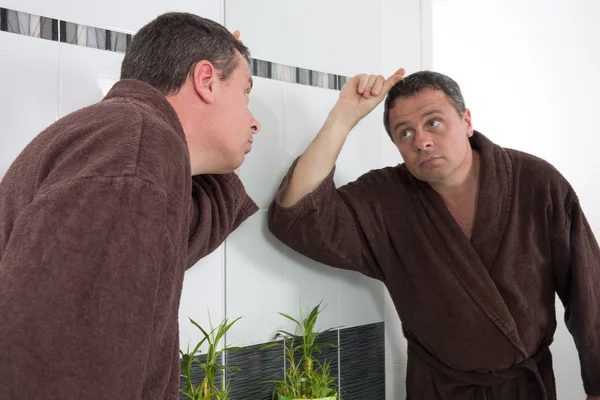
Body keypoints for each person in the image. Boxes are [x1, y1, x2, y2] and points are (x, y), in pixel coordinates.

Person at [267, 69, 600, 399]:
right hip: (439, 390)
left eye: (433, 123)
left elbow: (588, 290)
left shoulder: (537, 183)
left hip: (524, 389)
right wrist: (343, 117)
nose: (422, 141)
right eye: (405, 133)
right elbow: (298, 216)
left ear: (466, 121)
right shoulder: (386, 199)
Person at [0, 12, 259, 399]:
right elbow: (58, 367)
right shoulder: (134, 148)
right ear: (206, 80)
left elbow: (192, 225)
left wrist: (229, 59)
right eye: (245, 92)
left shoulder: (131, 147)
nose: (255, 122)